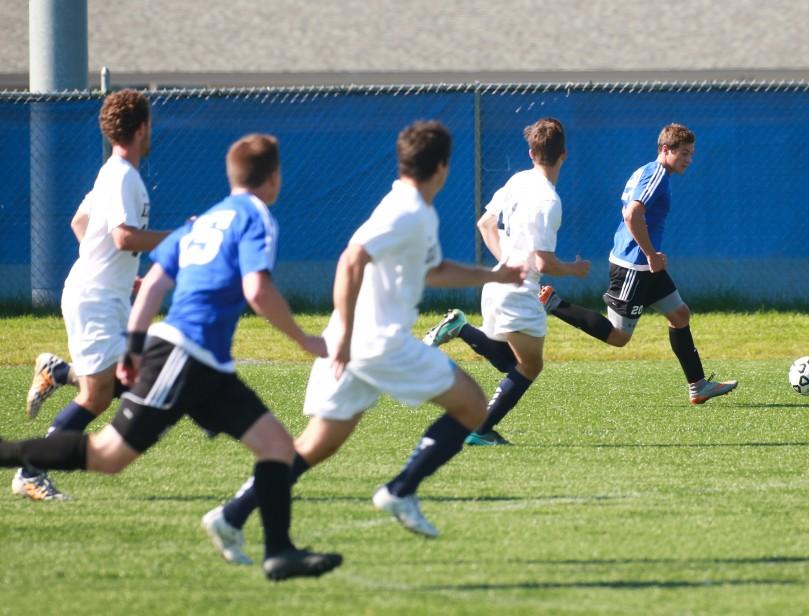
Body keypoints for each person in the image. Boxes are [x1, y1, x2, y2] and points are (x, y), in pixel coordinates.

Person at [0, 134, 341, 581]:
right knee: (109, 456)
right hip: (183, 356)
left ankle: (279, 552)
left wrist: (136, 344)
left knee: (277, 447)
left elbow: (156, 283)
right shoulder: (257, 217)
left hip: (207, 364)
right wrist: (305, 339)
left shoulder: (206, 220)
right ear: (273, 178)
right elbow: (257, 289)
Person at [200, 120, 525, 565]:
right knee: (471, 405)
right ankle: (401, 490)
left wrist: (493, 274)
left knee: (317, 444)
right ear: (443, 167)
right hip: (375, 342)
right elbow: (352, 258)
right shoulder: (408, 210)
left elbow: (432, 271)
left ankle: (231, 516)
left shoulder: (411, 208)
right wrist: (349, 335)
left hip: (355, 344)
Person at [15, 90, 172, 501]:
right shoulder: (124, 176)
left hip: (100, 293)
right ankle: (31, 471)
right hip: (95, 300)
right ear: (141, 129)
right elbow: (123, 237)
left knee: (127, 380)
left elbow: (79, 222)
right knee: (98, 394)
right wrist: (180, 237)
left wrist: (121, 275)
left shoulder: (111, 172)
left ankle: (56, 371)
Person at [537, 123, 737, 404]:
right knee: (619, 336)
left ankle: (698, 386)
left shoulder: (649, 171)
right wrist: (651, 254)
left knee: (679, 314)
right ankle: (555, 304)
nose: (689, 160)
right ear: (666, 149)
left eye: (691, 154)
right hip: (634, 265)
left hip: (644, 265)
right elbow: (632, 214)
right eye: (684, 153)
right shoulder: (656, 173)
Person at [423, 117, 588, 446]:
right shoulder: (548, 201)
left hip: (497, 284)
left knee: (512, 363)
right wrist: (575, 269)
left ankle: (461, 328)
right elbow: (544, 263)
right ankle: (479, 429)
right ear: (564, 154)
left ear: (531, 153)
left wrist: (506, 263)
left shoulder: (517, 181)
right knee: (530, 366)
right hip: (518, 292)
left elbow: (485, 224)